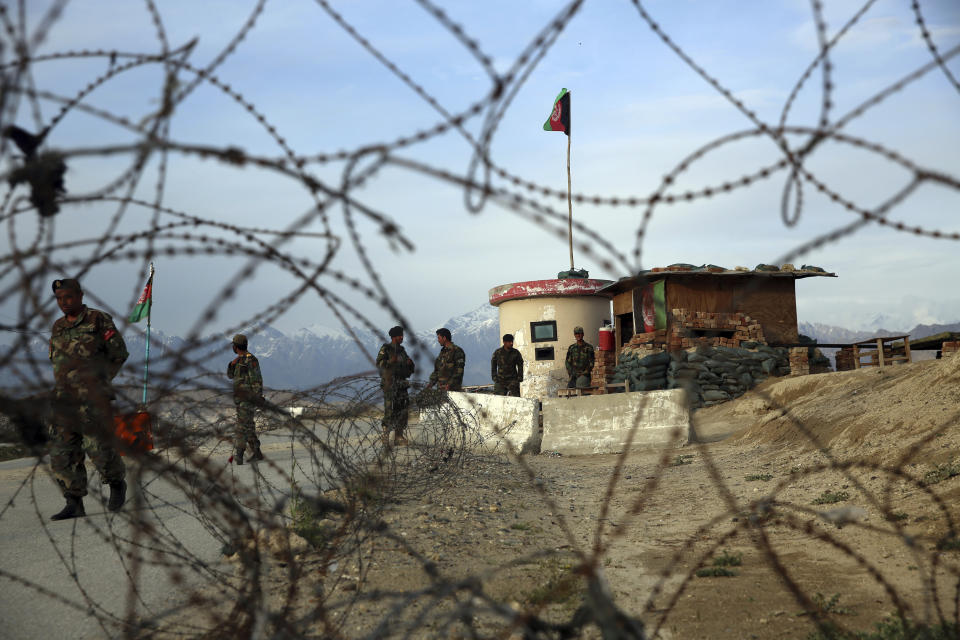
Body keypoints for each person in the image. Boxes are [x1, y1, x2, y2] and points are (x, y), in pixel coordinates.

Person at [47, 278, 128, 520]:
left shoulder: (98, 319)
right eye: (59, 299)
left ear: (81, 295)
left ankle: (116, 483)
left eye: (69, 297)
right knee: (62, 451)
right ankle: (73, 502)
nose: (64, 302)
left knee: (98, 447)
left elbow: (119, 353)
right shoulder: (58, 327)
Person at [227, 334, 265, 465]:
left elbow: (257, 380)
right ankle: (257, 452)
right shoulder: (238, 361)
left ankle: (239, 453)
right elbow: (230, 376)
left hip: (248, 399)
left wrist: (258, 397)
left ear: (236, 346)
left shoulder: (251, 360)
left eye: (233, 345)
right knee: (247, 426)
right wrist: (232, 364)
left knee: (242, 426)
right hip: (239, 399)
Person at [376, 326, 415, 445]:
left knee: (402, 410)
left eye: (402, 335)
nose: (402, 337)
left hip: (402, 384)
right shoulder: (386, 349)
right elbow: (379, 365)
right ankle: (385, 435)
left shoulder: (402, 351)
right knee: (390, 409)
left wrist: (410, 364)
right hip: (390, 384)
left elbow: (409, 369)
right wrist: (390, 362)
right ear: (393, 337)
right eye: (399, 335)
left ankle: (399, 435)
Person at [425, 328, 466, 392]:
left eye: (439, 338)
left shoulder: (457, 351)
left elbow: (459, 371)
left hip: (453, 390)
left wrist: (450, 385)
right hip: (441, 389)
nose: (438, 340)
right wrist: (431, 383)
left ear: (444, 338)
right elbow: (437, 371)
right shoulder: (442, 353)